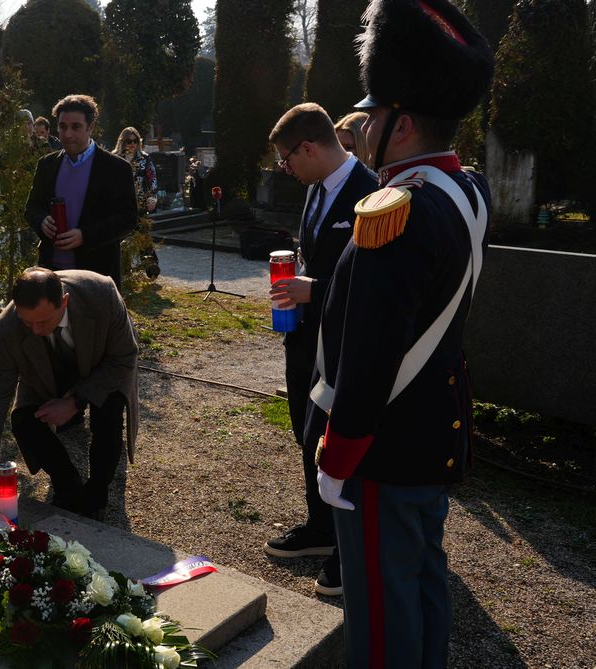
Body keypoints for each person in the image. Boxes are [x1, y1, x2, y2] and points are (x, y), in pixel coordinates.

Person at [306, 1, 494, 666]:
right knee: (422, 581)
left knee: (382, 611)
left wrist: (337, 456)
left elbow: (373, 350)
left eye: (374, 114)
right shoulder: (467, 191)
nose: (361, 125)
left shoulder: (397, 211)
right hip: (433, 428)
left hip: (381, 445)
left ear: (403, 125)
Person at [263, 103, 378, 597]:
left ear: (308, 148)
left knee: (338, 441)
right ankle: (320, 526)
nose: (285, 169)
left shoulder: (372, 193)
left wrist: (316, 288)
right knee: (306, 434)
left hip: (345, 342)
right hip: (305, 336)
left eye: (287, 159)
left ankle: (348, 547)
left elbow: (375, 284)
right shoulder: (315, 188)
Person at [0, 267, 139, 521]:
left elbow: (124, 358)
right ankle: (67, 484)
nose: (35, 330)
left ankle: (96, 493)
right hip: (48, 370)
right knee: (24, 419)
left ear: (64, 302)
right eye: (28, 322)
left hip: (103, 364)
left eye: (43, 321)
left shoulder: (102, 295)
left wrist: (74, 402)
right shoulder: (8, 326)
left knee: (108, 416)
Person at [24, 94, 138, 287]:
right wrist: (42, 221)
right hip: (52, 275)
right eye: (63, 127)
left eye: (75, 127)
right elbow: (31, 208)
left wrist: (85, 235)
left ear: (90, 127)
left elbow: (128, 219)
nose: (68, 134)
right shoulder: (47, 165)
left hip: (96, 277)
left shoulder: (117, 168)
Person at [112, 127, 158, 215]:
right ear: (123, 142)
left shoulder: (145, 158)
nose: (132, 143)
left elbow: (153, 178)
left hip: (140, 205)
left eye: (135, 141)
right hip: (119, 205)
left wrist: (152, 197)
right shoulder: (115, 158)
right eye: (129, 141)